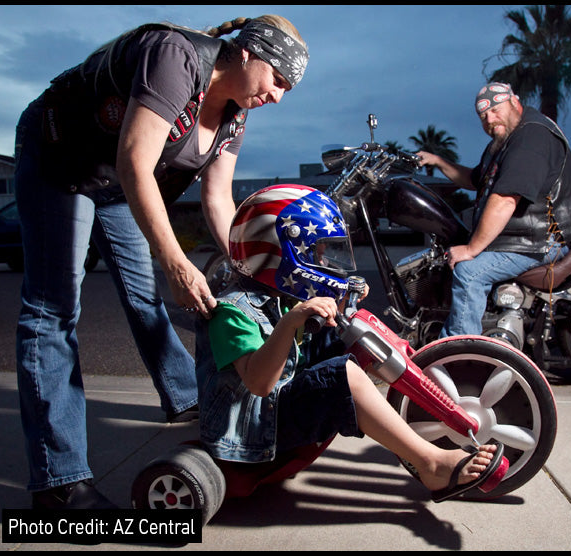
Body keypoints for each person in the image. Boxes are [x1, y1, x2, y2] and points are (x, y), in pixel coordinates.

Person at [14, 15, 309, 510]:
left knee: (144, 297)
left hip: (114, 181)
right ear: (248, 53)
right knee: (53, 309)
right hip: (60, 159)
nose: (278, 96)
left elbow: (218, 201)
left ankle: (186, 397)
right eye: (277, 79)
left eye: (288, 88)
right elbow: (136, 159)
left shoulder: (236, 113)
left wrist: (258, 268)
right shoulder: (176, 57)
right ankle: (58, 482)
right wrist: (175, 262)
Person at [194, 184, 506, 503]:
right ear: (278, 253)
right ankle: (432, 464)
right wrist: (291, 322)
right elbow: (259, 384)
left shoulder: (281, 296)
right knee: (343, 374)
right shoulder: (231, 313)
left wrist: (342, 304)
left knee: (348, 340)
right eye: (314, 252)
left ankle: (434, 412)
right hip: (252, 434)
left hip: (274, 417)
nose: (322, 260)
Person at [416, 82, 571, 337]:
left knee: (469, 273)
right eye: (483, 115)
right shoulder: (505, 140)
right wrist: (437, 161)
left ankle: (461, 350)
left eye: (495, 110)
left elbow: (505, 199)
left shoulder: (531, 137)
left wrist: (472, 249)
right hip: (524, 235)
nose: (489, 119)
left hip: (544, 239)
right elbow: (475, 180)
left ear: (514, 102)